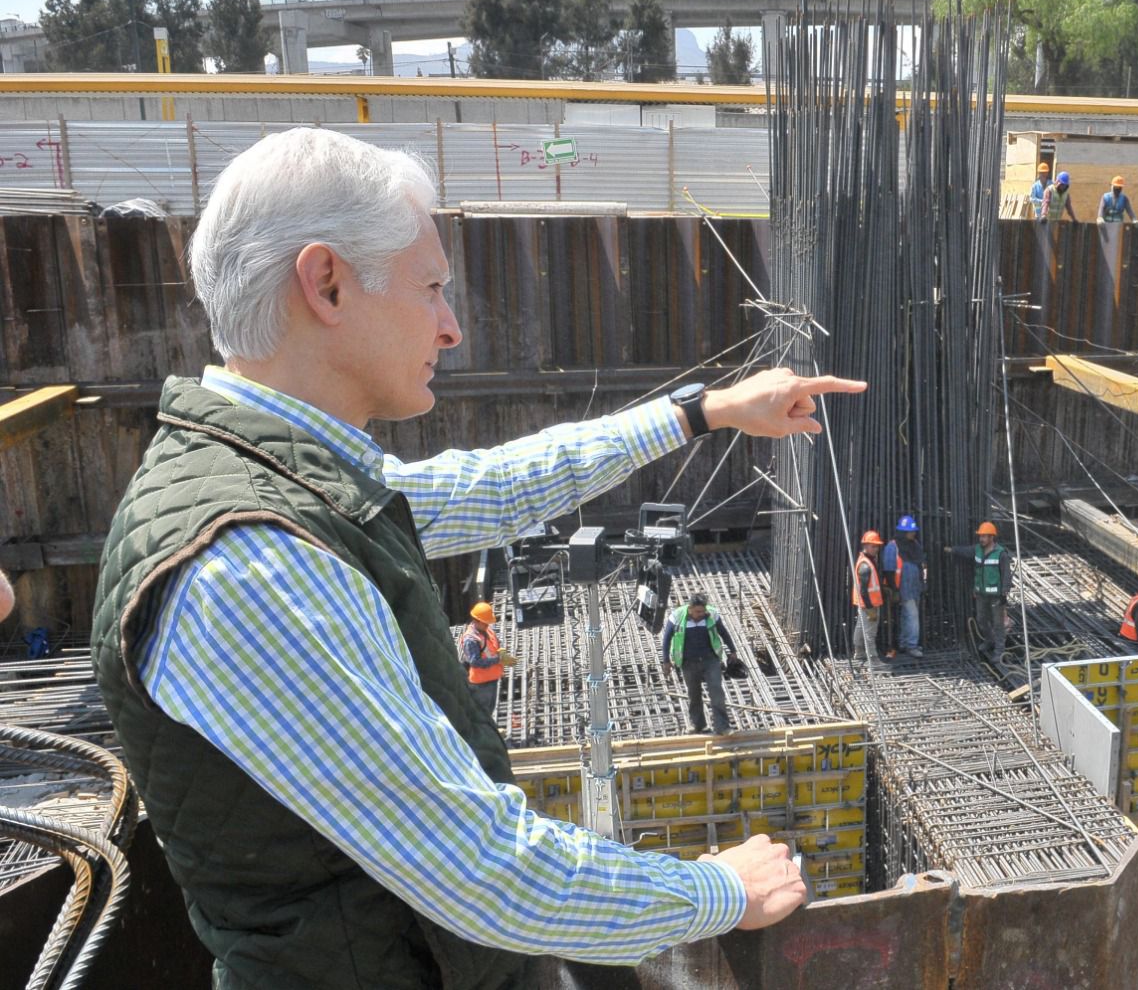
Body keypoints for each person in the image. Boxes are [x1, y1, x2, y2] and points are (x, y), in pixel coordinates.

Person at [89, 127, 861, 985]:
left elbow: (492, 487)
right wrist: (713, 890)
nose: (452, 327)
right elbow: (482, 869)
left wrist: (704, 411)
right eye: (431, 289)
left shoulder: (290, 483)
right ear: (327, 283)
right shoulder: (246, 566)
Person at [659, 593, 733, 735]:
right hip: (688, 662)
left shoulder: (712, 614)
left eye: (703, 610)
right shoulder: (677, 616)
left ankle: (722, 726)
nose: (701, 614)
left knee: (716, 691)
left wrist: (733, 651)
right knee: (694, 693)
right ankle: (698, 725)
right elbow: (667, 639)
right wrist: (666, 661)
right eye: (698, 611)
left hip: (710, 659)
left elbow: (724, 633)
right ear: (690, 608)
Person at [946, 521, 1013, 662]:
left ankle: (999, 650)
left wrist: (1004, 593)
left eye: (984, 536)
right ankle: (990, 640)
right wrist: (952, 550)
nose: (981, 539)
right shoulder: (977, 550)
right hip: (981, 594)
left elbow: (1006, 574)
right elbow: (964, 552)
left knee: (998, 623)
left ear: (991, 537)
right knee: (981, 620)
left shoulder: (1001, 554)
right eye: (980, 536)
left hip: (996, 596)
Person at [459, 601, 516, 721]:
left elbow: (493, 645)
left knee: (489, 709)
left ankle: (490, 730)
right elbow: (475, 662)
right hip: (481, 683)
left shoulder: (486, 630)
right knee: (482, 713)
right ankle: (482, 736)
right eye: (485, 623)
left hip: (491, 678)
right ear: (476, 620)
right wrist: (498, 660)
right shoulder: (471, 640)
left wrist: (502, 654)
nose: (487, 625)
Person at [881, 515, 925, 659]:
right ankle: (911, 646)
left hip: (915, 587)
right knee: (912, 615)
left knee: (907, 615)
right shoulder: (892, 547)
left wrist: (923, 583)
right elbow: (888, 570)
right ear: (902, 532)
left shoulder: (915, 546)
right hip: (903, 588)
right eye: (910, 531)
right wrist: (894, 590)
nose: (913, 533)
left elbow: (921, 565)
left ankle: (904, 643)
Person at [852, 530, 886, 664]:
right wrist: (870, 608)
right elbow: (864, 590)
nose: (876, 549)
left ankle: (859, 653)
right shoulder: (865, 565)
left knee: (860, 628)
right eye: (873, 546)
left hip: (865, 603)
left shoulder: (867, 561)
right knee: (870, 632)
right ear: (865, 545)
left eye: (877, 546)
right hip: (869, 604)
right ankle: (873, 659)